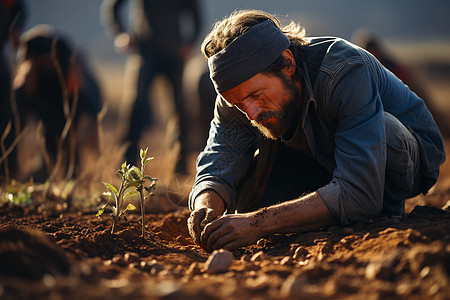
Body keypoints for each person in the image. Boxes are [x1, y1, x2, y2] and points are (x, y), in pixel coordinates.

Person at [187, 10, 446, 252]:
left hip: (409, 156)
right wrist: (205, 205)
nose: (251, 111)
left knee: (379, 142)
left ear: (288, 63)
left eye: (256, 95)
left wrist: (259, 224)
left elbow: (361, 193)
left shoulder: (344, 71)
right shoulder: (237, 91)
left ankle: (379, 213)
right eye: (239, 104)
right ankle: (330, 200)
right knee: (248, 186)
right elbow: (220, 156)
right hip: (323, 155)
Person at [100, 0, 202, 173]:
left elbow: (195, 13)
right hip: (145, 50)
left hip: (174, 53)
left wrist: (190, 43)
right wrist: (121, 33)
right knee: (135, 105)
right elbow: (112, 6)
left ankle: (180, 166)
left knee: (180, 108)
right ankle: (127, 165)